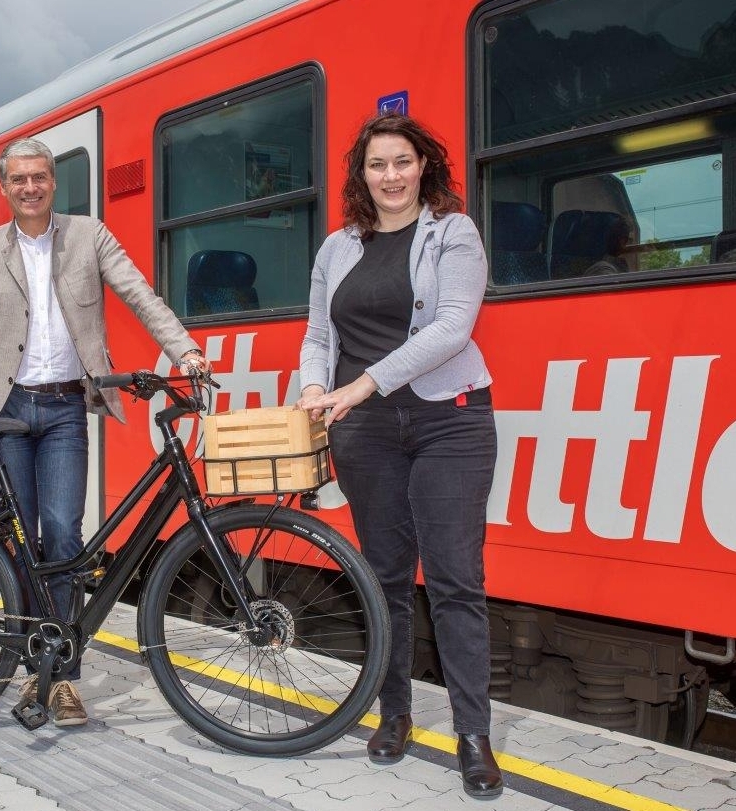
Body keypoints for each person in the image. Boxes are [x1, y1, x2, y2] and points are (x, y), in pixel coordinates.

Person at [0, 137, 208, 726]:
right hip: (6, 408)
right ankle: (36, 666)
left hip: (62, 410)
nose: (29, 188)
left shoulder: (89, 235)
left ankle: (61, 679)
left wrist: (183, 350)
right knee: (20, 544)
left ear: (53, 182)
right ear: (3, 188)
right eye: (18, 180)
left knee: (62, 538)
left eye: (39, 178)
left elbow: (139, 293)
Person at [296, 113, 503, 798]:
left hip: (450, 421)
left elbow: (451, 327)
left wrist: (361, 382)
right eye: (376, 164)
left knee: (453, 580)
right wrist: (315, 386)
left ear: (423, 167)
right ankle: (394, 714)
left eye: (401, 162)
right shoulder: (337, 247)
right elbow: (318, 333)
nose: (390, 175)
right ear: (361, 174)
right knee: (384, 576)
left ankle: (472, 734)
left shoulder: (453, 232)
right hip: (364, 431)